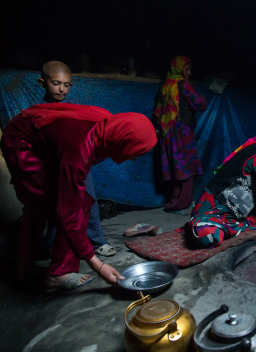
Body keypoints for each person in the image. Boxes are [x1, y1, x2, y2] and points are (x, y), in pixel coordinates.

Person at [1, 103, 157, 293]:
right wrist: (98, 266)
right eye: (135, 152)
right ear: (122, 141)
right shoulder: (79, 149)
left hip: (40, 138)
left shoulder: (107, 126)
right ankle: (54, 274)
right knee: (54, 207)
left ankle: (28, 268)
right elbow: (68, 213)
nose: (133, 159)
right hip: (22, 143)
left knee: (73, 202)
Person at [32, 60, 115, 257]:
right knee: (59, 208)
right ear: (42, 83)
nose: (61, 89)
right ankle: (51, 245)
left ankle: (96, 241)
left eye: (67, 85)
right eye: (56, 83)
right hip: (53, 167)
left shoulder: (74, 109)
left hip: (79, 165)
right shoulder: (36, 112)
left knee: (89, 201)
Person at [153, 56, 207, 214]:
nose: (189, 73)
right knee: (186, 166)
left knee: (175, 167)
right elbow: (198, 103)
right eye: (187, 69)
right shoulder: (184, 85)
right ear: (180, 69)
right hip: (181, 132)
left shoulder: (166, 86)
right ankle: (182, 204)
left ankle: (175, 201)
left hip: (167, 131)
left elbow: (158, 112)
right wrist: (204, 97)